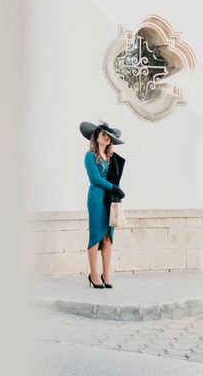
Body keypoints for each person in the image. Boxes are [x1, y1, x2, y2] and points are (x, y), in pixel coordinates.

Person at [79, 120, 126, 289]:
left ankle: (106, 275)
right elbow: (96, 179)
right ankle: (93, 274)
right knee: (96, 236)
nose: (107, 138)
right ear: (96, 137)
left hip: (110, 198)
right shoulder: (89, 156)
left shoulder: (111, 157)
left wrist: (117, 191)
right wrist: (114, 187)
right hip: (97, 197)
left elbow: (115, 177)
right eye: (104, 134)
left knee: (108, 237)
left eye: (109, 136)